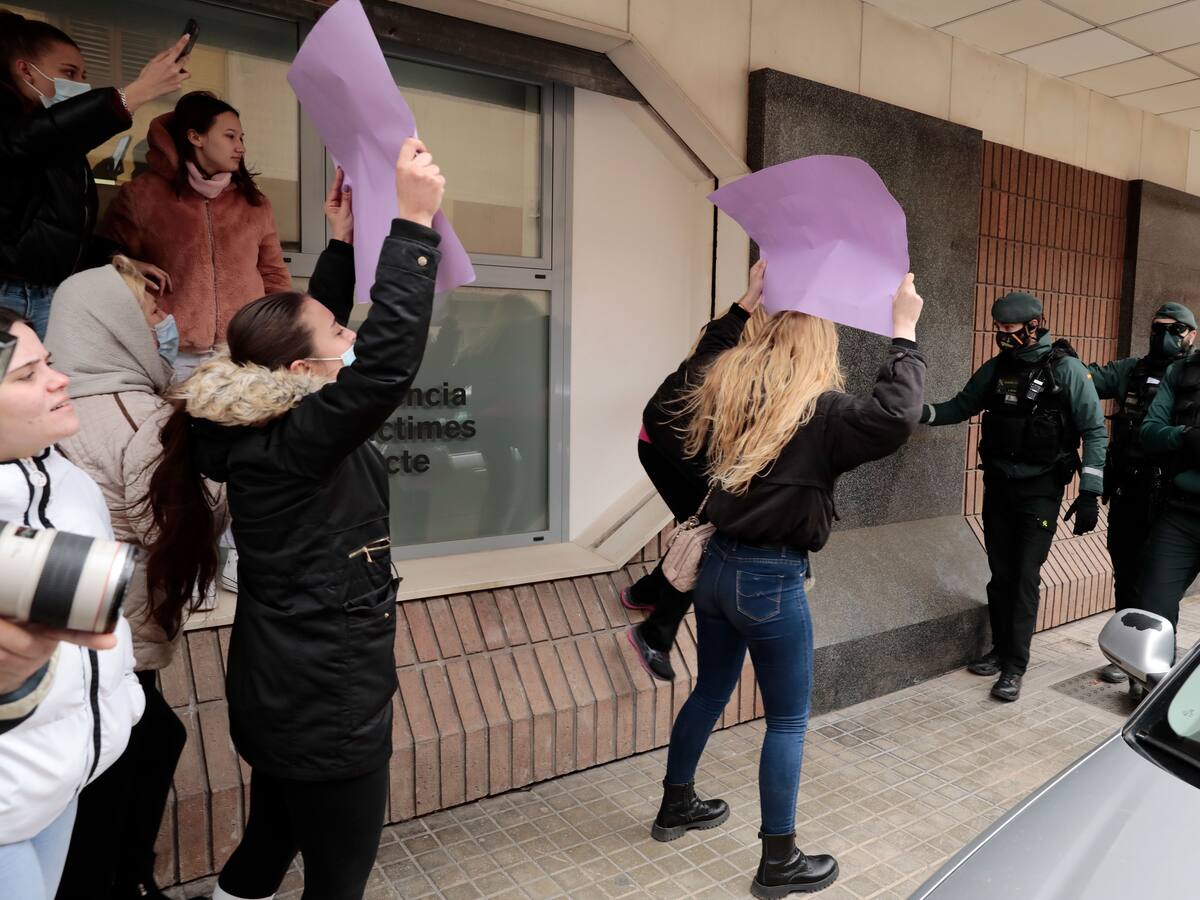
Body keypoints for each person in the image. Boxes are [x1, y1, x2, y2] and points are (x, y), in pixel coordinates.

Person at [140, 138, 443, 900]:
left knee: (268, 842)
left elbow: (316, 336)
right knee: (336, 882)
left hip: (281, 686)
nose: (352, 333)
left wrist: (341, 242)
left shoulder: (254, 422)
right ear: (304, 375)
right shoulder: (297, 441)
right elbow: (383, 368)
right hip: (326, 697)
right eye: (341, 334)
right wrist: (412, 225)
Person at [45, 172, 356, 900]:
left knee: (142, 748)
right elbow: (172, 528)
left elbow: (294, 355)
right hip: (111, 643)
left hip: (88, 641)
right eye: (149, 301)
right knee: (127, 763)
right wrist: (233, 478)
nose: (165, 313)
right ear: (112, 324)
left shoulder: (70, 417)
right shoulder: (133, 421)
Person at [652, 276, 925, 898]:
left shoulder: (728, 385)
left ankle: (676, 806)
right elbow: (897, 415)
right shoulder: (821, 410)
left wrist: (744, 304)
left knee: (710, 691)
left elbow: (687, 377)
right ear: (818, 344)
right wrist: (904, 332)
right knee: (787, 722)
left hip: (715, 569)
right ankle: (778, 862)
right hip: (770, 580)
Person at [0, 307, 145, 900]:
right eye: (27, 374)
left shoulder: (69, 478)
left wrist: (125, 702)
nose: (59, 380)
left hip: (63, 781)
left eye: (51, 364)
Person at [921, 292, 1107, 702]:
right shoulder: (997, 369)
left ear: (1034, 325)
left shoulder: (1067, 370)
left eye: (1010, 330)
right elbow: (960, 406)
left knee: (1024, 576)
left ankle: (1014, 667)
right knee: (1001, 573)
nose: (1003, 337)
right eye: (999, 330)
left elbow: (1095, 430)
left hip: (1040, 490)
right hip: (999, 486)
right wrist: (916, 412)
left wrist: (1091, 490)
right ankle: (1000, 649)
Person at [0, 12, 189, 338]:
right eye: (68, 72)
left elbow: (56, 232)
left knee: (48, 386)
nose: (80, 84)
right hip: (8, 293)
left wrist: (116, 259)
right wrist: (136, 93)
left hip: (51, 294)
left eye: (84, 75)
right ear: (24, 70)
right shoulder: (19, 130)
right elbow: (25, 140)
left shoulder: (57, 145)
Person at [625, 259, 766, 681]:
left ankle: (647, 592)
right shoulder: (728, 359)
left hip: (672, 448)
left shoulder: (729, 346)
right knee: (707, 535)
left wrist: (750, 294)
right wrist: (751, 299)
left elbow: (723, 329)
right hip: (665, 450)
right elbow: (722, 337)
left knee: (698, 526)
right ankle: (655, 633)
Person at [99, 90, 292, 379]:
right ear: (195, 137)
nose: (240, 147)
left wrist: (280, 334)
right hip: (170, 351)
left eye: (242, 138)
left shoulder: (254, 203)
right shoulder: (142, 196)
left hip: (241, 351)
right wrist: (125, 268)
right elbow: (105, 264)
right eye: (230, 137)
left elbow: (274, 275)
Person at [1086, 303, 1196, 685]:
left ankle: (1159, 657)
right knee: (1133, 575)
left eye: (1176, 329)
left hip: (1167, 493)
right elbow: (1090, 381)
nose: (1165, 336)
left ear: (1191, 334)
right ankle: (1131, 655)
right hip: (1132, 489)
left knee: (1155, 581)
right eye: (1158, 327)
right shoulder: (1134, 370)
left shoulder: (1184, 375)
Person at [1135, 310, 1200, 666]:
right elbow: (1150, 431)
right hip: (1181, 515)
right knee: (1152, 610)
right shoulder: (1182, 372)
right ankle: (1153, 692)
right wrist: (1185, 437)